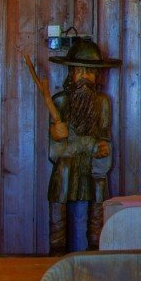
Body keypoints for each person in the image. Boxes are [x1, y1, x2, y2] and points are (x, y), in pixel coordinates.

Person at [46, 37, 117, 252]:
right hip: (67, 161)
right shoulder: (60, 101)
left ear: (97, 76)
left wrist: (103, 148)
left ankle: (95, 245)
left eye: (90, 72)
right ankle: (57, 247)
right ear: (71, 74)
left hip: (93, 162)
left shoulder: (102, 103)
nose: (84, 78)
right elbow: (54, 151)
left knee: (99, 185)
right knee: (62, 174)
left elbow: (104, 137)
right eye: (79, 71)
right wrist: (56, 135)